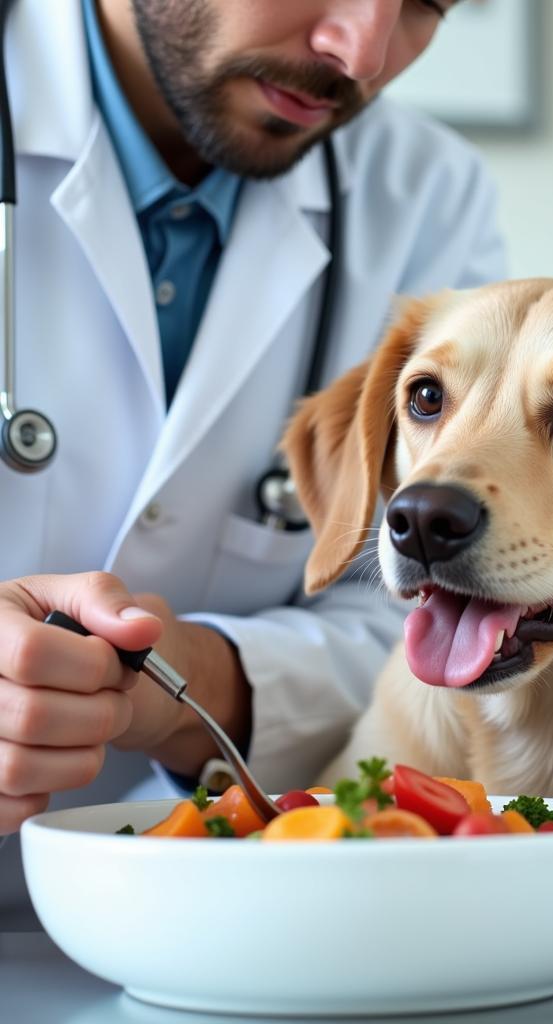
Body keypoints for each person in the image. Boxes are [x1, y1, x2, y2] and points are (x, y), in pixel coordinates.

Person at [0, 0, 504, 925]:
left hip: (233, 927)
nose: (360, 54)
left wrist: (185, 686)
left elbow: (429, 632)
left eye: (428, 1)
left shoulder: (424, 193)